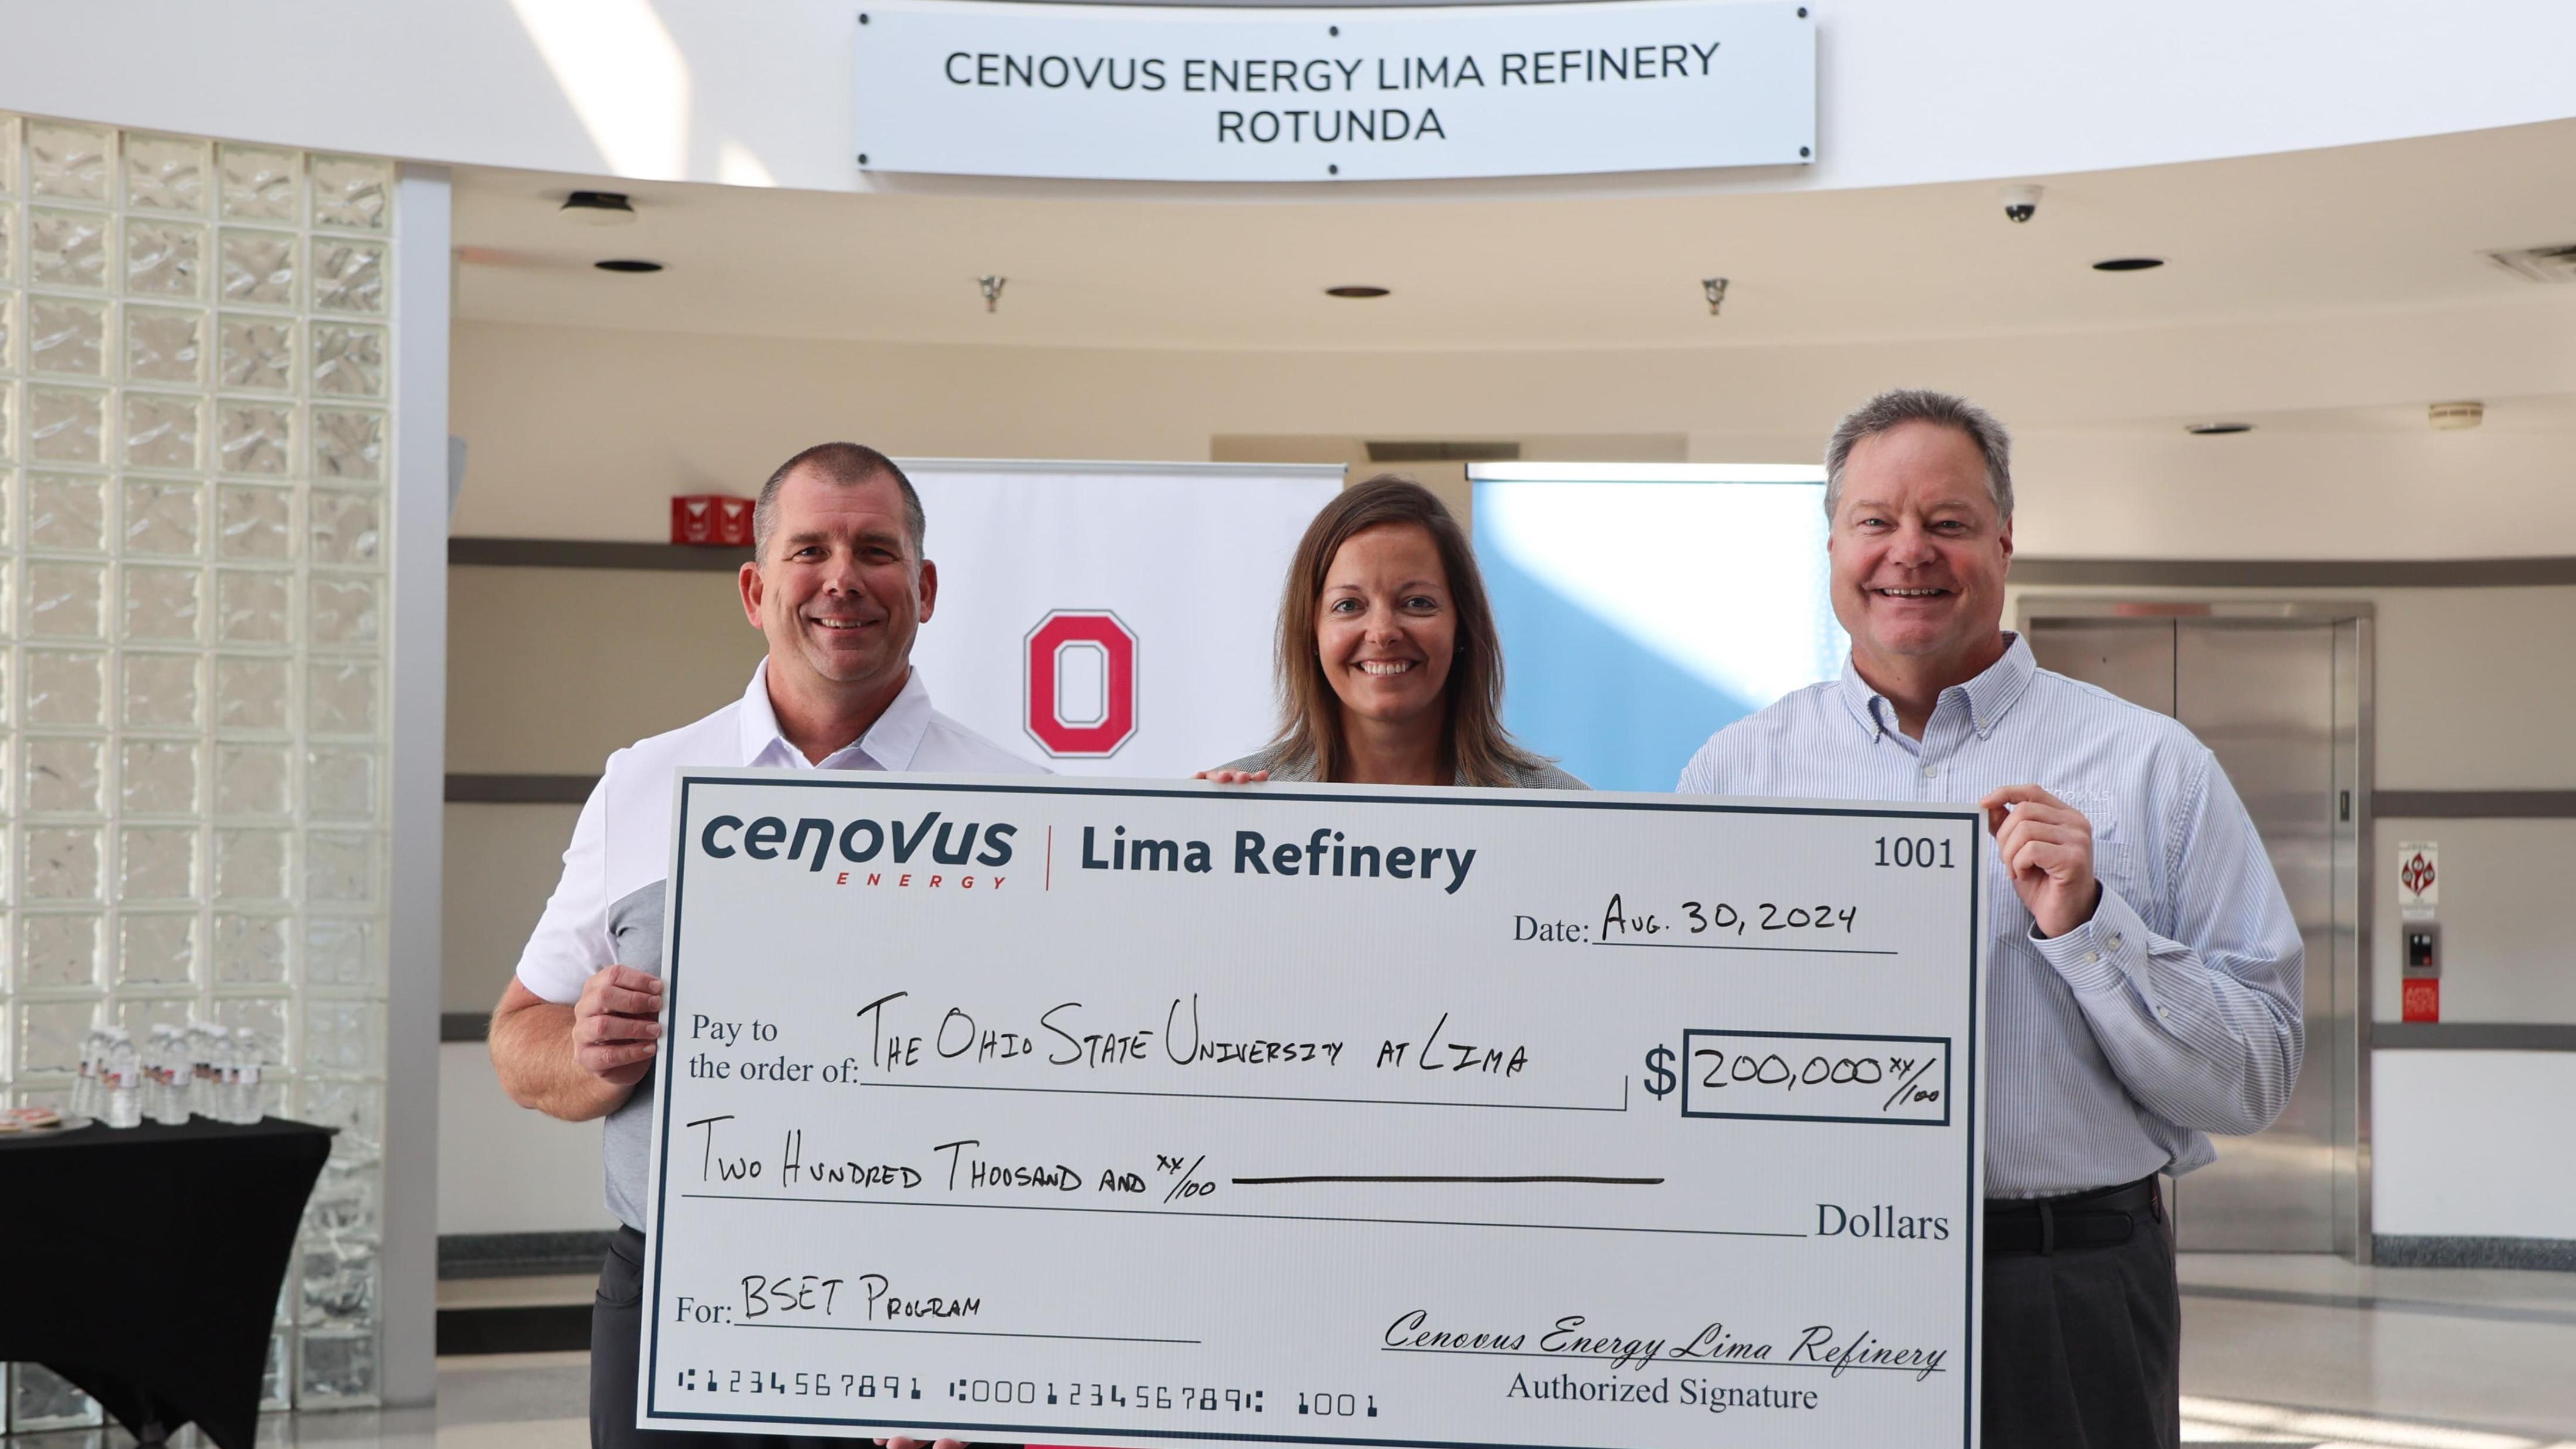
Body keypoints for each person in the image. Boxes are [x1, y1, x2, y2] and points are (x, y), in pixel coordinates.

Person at [1676, 389, 2302, 1448]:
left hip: (2067, 1296)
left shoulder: (2151, 768)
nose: (1906, 552)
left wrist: (2092, 928)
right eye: (1874, 520)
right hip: (1804, 1280)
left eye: (1947, 522)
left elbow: (2254, 1078)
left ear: (2004, 541)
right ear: (1830, 542)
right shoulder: (1735, 773)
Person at [488, 442, 1035, 1449]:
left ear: (923, 585)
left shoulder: (1021, 806)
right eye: (809, 548)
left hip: (921, 1300)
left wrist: (986, 1338)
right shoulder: (644, 782)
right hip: (673, 1304)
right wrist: (586, 1049)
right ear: (754, 587)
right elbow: (519, 1035)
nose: (842, 578)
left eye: (875, 549)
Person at [1205, 474, 1583, 788]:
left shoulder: (1562, 809)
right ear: (1311, 633)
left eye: (1417, 602)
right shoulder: (1249, 802)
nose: (1383, 632)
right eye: (1349, 606)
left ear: (1462, 626)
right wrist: (1205, 848)